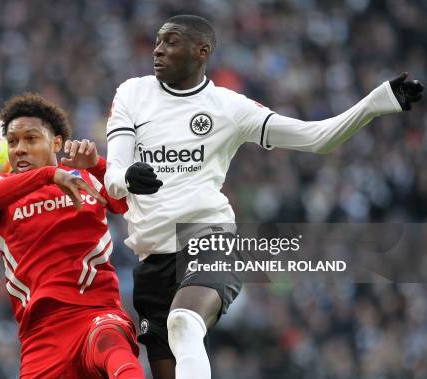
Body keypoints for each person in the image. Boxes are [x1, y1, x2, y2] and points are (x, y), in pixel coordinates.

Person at [104, 14, 424, 379]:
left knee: (183, 322)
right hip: (151, 258)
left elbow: (317, 137)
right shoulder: (133, 92)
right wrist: (126, 178)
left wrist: (376, 102)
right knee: (168, 363)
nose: (158, 50)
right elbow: (115, 170)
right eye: (158, 41)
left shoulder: (229, 107)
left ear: (202, 51)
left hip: (209, 239)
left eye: (171, 42)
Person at [0, 93, 145, 379]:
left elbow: (126, 204)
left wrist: (97, 165)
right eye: (12, 142)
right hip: (41, 333)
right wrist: (49, 175)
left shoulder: (84, 177)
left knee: (113, 346)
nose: (20, 149)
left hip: (96, 311)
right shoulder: (3, 186)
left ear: (57, 142)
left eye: (31, 139)